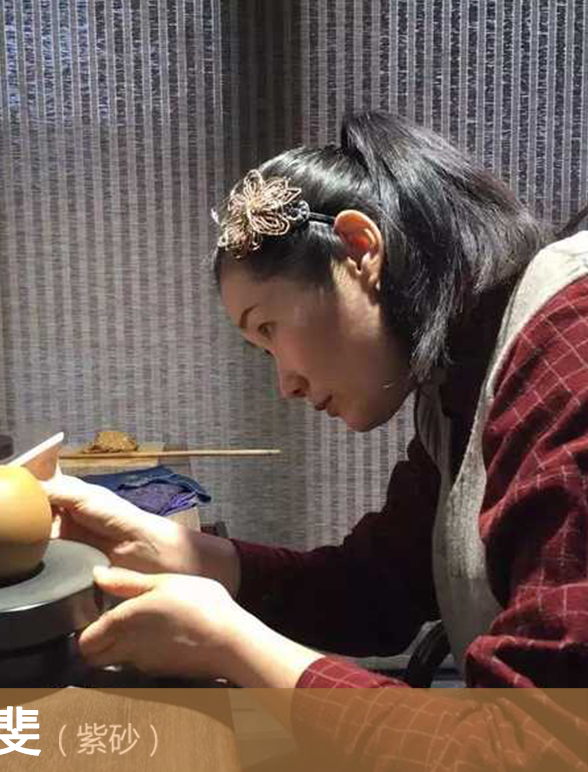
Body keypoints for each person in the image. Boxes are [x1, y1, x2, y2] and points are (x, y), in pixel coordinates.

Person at [44, 112, 588, 769]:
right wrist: (185, 553)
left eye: (269, 328)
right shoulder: (457, 382)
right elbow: (379, 588)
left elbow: (535, 748)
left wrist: (230, 644)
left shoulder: (569, 356)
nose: (286, 384)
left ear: (359, 250)